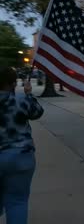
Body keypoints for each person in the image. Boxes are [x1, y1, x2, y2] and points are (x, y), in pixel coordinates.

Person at [0, 66, 44, 224]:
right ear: (13, 83)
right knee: (17, 202)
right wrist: (28, 93)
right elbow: (38, 112)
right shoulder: (21, 100)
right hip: (22, 156)